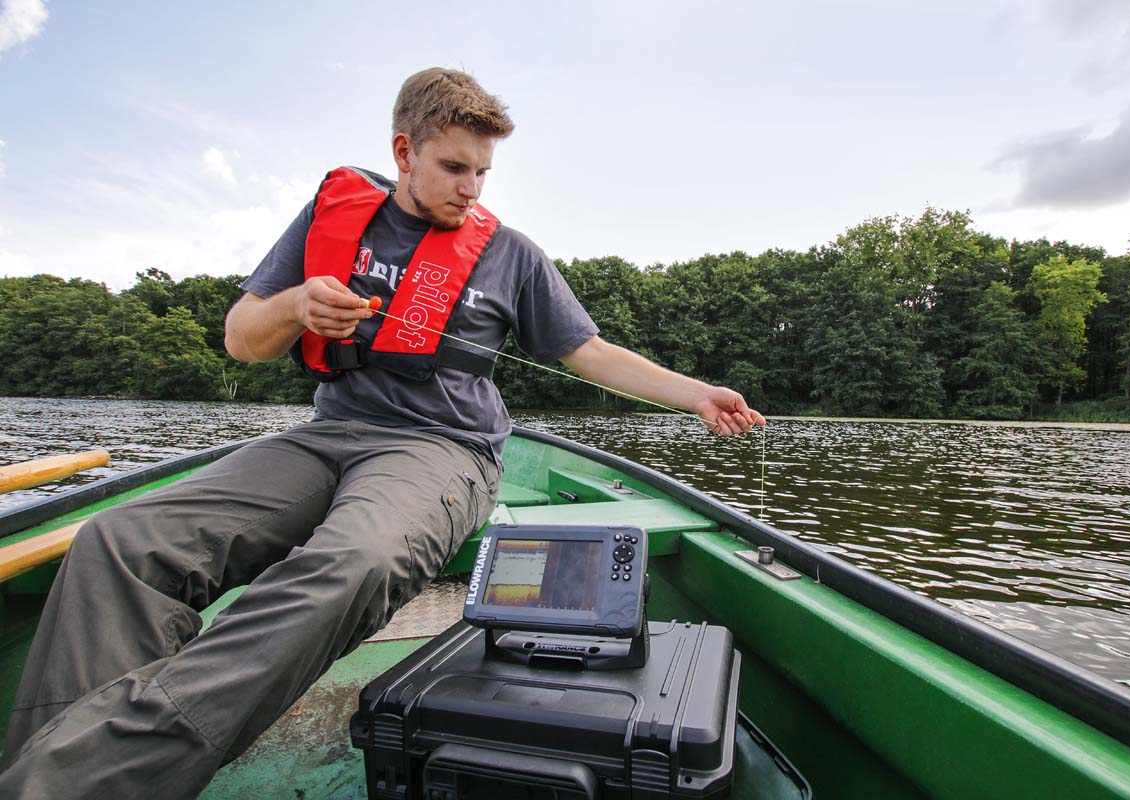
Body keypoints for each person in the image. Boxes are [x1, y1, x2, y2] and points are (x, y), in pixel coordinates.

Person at [0, 67, 764, 798]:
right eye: (454, 167)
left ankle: (69, 780)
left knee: (354, 559)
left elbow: (587, 352)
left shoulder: (510, 253)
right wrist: (299, 302)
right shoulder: (333, 217)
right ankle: (68, 771)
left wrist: (696, 395)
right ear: (404, 152)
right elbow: (241, 338)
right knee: (118, 541)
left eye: (483, 173)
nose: (471, 188)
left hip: (442, 451)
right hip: (326, 438)